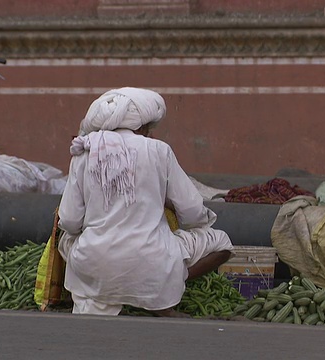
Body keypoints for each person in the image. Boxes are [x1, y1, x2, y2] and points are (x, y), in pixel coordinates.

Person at [57, 87, 234, 317]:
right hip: (154, 264)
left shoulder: (84, 151)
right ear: (141, 127)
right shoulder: (159, 150)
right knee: (222, 242)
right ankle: (161, 290)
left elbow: (69, 221)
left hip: (95, 263)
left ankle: (111, 294)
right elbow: (192, 212)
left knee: (66, 241)